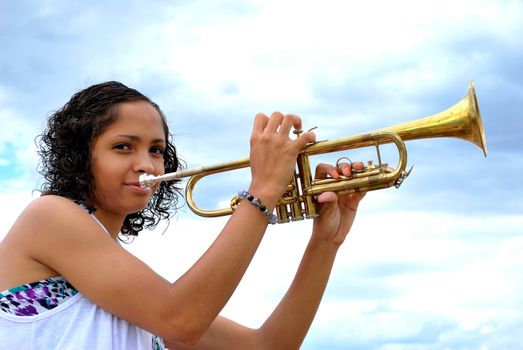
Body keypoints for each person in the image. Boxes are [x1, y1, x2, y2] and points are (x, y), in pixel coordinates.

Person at [0, 81, 365, 349]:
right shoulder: (48, 215)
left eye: (156, 150)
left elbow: (268, 347)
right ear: (79, 155)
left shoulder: (136, 298)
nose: (145, 164)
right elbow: (180, 320)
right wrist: (263, 191)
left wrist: (326, 241)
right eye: (123, 147)